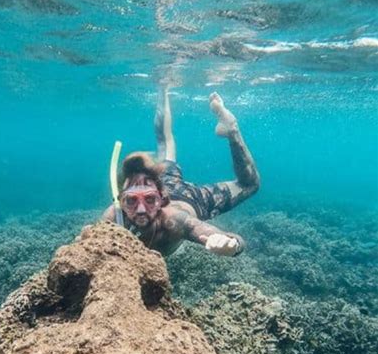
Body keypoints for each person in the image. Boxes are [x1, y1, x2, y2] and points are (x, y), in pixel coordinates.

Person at [103, 90, 260, 257]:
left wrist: (231, 244)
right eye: (131, 200)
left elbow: (211, 232)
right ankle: (163, 88)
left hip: (191, 198)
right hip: (165, 179)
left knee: (250, 184)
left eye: (150, 199)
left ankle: (232, 129)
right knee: (165, 142)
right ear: (120, 200)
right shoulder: (114, 215)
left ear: (162, 199)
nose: (141, 209)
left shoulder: (173, 220)